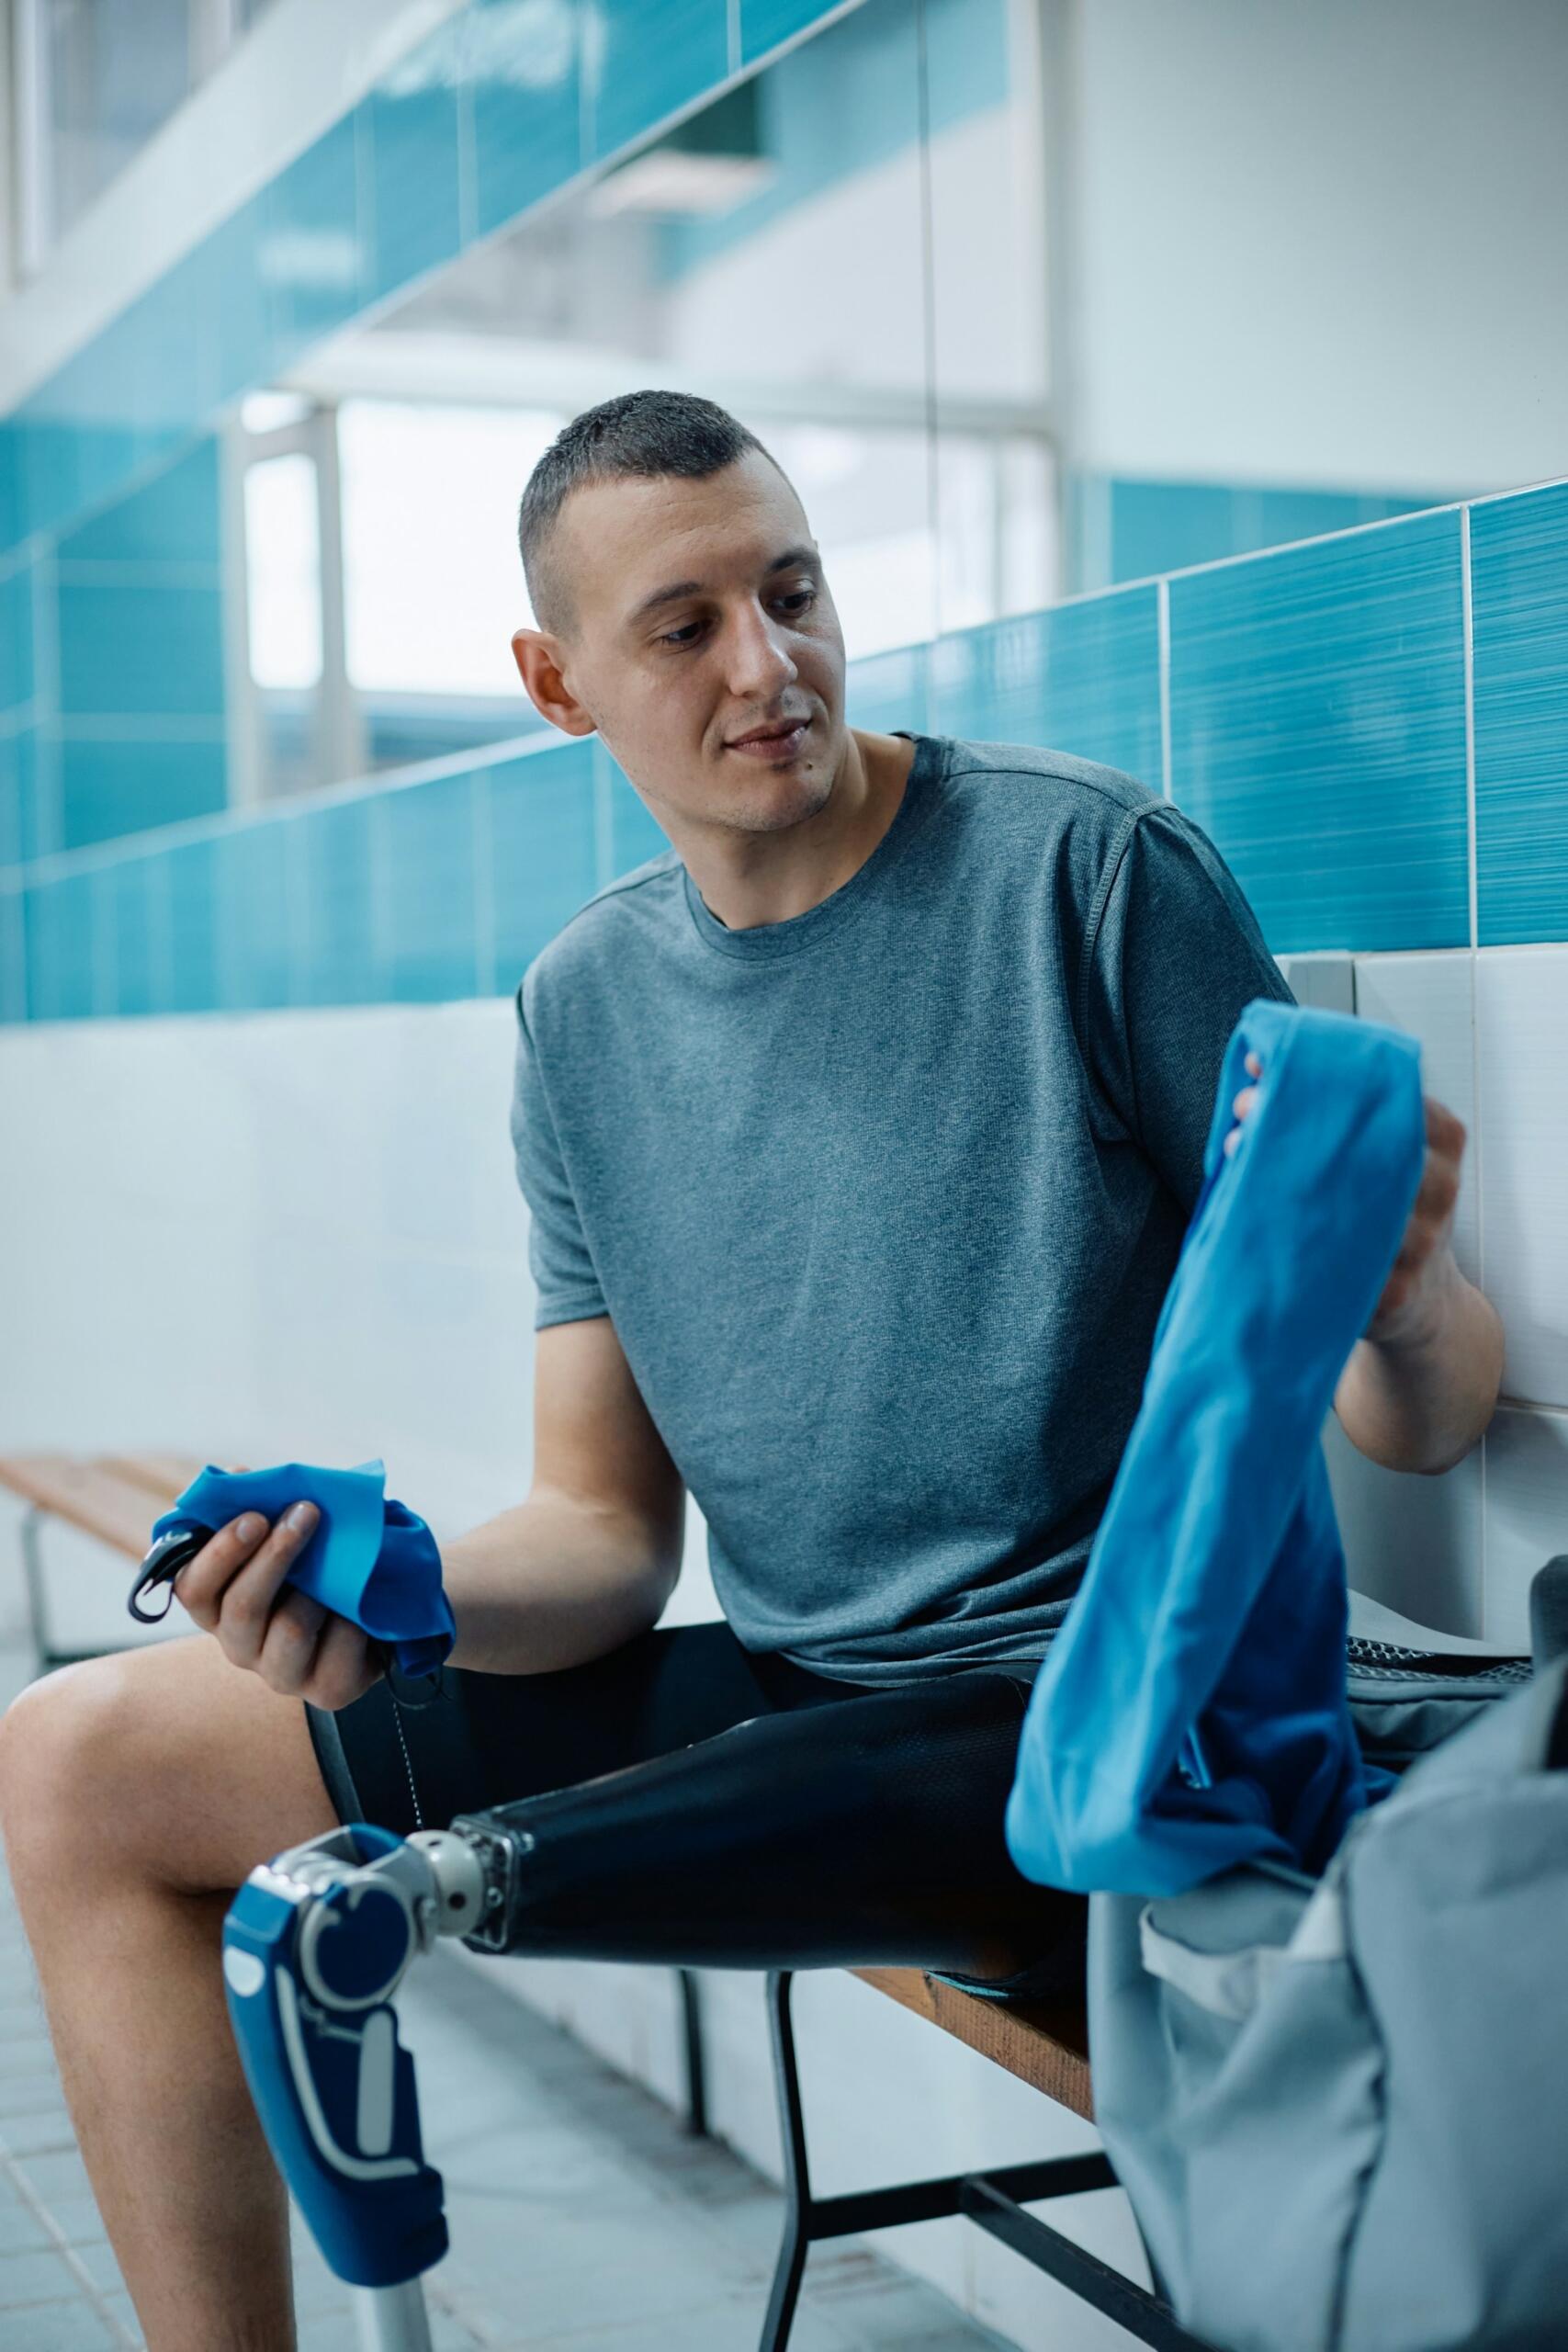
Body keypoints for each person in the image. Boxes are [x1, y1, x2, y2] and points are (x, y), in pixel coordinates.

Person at [0, 390, 1503, 2352]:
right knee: (77, 1761)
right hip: (805, 1697)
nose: (766, 664)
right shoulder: (582, 1007)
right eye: (683, 624)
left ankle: (428, 1892)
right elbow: (608, 1535)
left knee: (865, 1756)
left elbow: (1431, 1412)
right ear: (556, 684)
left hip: (1113, 1722)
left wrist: (1392, 1298)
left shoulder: (1090, 873)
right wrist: (392, 1594)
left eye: (789, 591)